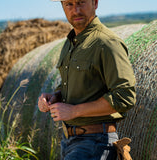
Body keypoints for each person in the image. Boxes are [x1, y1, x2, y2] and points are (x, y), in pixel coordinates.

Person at [38, 0, 136, 159]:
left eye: (81, 2)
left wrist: (73, 111)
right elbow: (77, 86)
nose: (75, 10)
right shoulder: (70, 43)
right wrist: (54, 97)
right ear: (62, 7)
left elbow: (125, 97)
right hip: (69, 140)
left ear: (95, 3)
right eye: (69, 4)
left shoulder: (107, 42)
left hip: (96, 142)